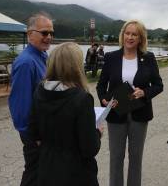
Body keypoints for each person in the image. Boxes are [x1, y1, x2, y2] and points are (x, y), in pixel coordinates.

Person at [96, 19, 163, 186]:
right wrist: (104, 99)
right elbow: (101, 85)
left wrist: (145, 92)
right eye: (127, 33)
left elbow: (158, 85)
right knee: (116, 157)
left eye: (135, 34)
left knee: (136, 158)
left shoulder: (148, 58)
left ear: (140, 38)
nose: (130, 37)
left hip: (139, 114)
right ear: (122, 35)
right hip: (116, 113)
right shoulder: (111, 57)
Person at [27, 42, 103, 186]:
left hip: (46, 169)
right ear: (75, 66)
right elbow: (89, 149)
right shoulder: (82, 99)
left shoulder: (39, 91)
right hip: (76, 173)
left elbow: (32, 133)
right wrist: (97, 132)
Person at [8, 12, 53, 186]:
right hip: (36, 135)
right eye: (44, 33)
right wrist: (32, 137)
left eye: (51, 33)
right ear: (30, 34)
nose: (48, 37)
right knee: (33, 174)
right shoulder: (26, 62)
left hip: (44, 130)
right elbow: (20, 106)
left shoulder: (42, 56)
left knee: (42, 174)